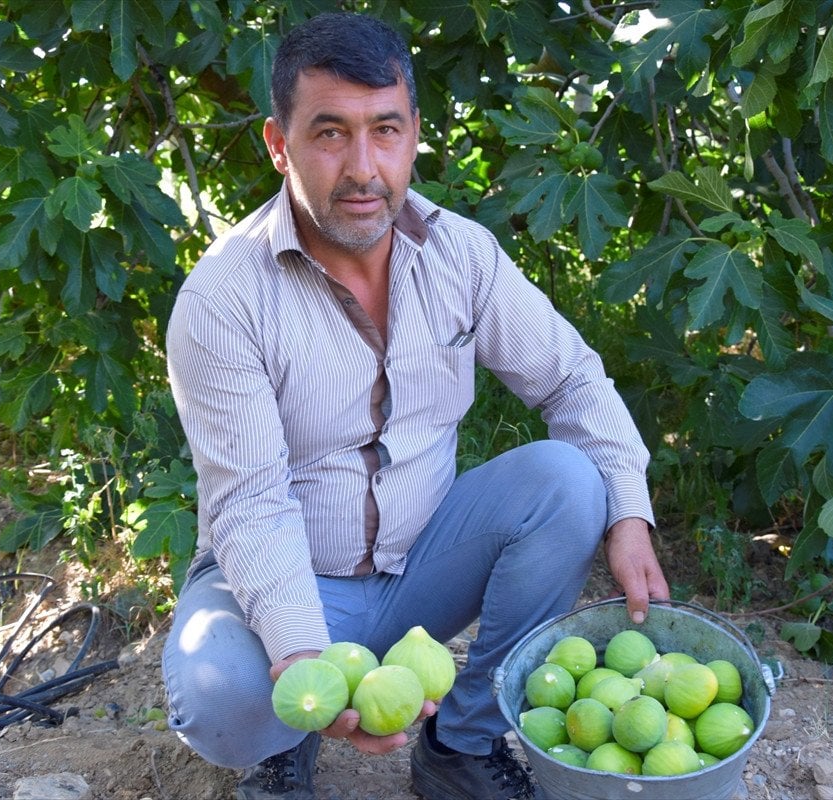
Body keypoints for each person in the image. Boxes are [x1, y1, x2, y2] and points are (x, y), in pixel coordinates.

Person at [161, 11, 669, 800]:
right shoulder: (224, 297)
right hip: (290, 583)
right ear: (277, 143)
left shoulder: (461, 254)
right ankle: (281, 741)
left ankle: (461, 744)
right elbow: (252, 506)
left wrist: (628, 513)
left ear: (414, 134)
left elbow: (570, 379)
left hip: (422, 566)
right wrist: (301, 661)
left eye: (385, 130)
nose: (364, 168)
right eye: (329, 134)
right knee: (220, 695)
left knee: (571, 484)